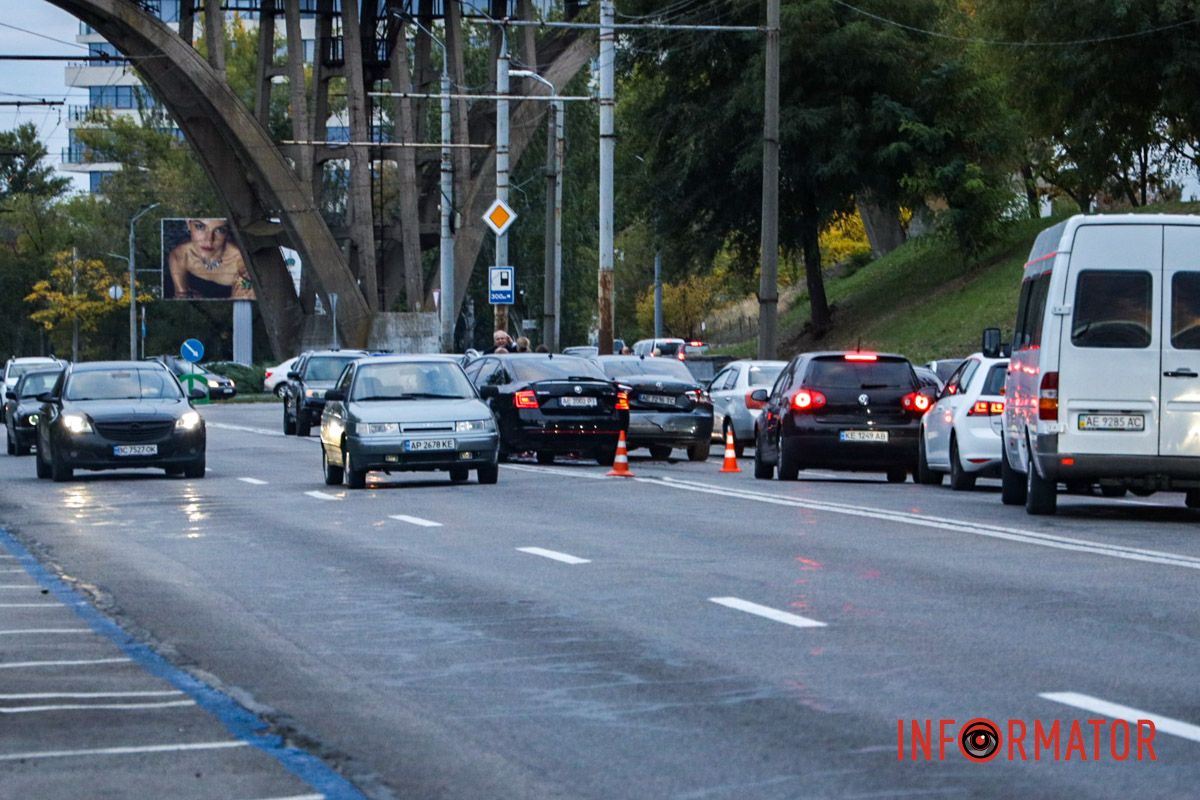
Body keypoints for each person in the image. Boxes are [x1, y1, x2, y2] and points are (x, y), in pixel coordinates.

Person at [167, 218, 255, 300]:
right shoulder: (180, 255)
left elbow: (247, 286)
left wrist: (246, 284)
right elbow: (181, 296)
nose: (209, 240)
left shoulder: (241, 259)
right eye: (200, 226)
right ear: (188, 224)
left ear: (227, 231)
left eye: (220, 230)